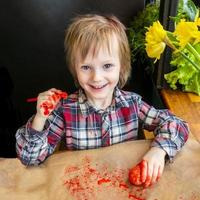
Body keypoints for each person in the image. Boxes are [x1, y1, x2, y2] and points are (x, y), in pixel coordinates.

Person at [16, 14, 189, 188]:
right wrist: (40, 118)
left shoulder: (132, 104)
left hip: (123, 187)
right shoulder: (64, 111)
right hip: (80, 187)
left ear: (121, 66)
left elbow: (177, 125)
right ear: (74, 69)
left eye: (107, 66)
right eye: (86, 67)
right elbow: (29, 159)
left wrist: (158, 152)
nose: (96, 77)